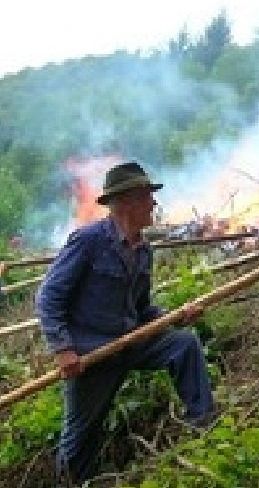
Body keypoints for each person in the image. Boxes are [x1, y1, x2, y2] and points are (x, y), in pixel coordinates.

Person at [35, 162, 215, 486]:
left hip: (130, 343)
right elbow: (49, 298)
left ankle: (204, 425)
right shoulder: (88, 241)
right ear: (129, 201)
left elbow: (141, 309)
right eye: (148, 197)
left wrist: (174, 317)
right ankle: (73, 481)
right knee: (81, 438)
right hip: (92, 357)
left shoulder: (144, 251)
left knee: (183, 344)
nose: (153, 205)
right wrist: (63, 349)